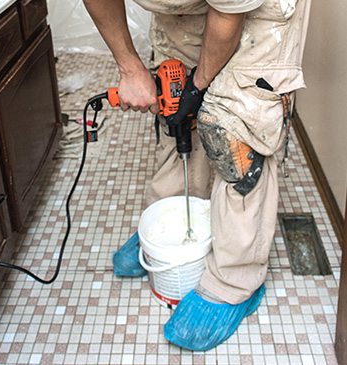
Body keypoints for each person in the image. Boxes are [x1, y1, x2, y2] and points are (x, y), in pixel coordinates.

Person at [83, 0, 311, 351]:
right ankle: (174, 215)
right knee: (174, 103)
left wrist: (199, 85)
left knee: (233, 128)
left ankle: (234, 280)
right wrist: (130, 67)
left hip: (256, 9)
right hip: (185, 6)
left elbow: (229, 12)